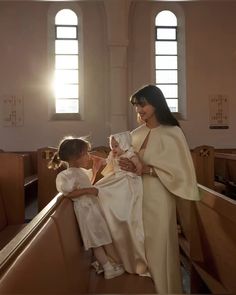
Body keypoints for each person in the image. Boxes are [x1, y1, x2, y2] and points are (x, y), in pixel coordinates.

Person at [119, 85, 200, 294]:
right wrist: (124, 164)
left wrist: (148, 169)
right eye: (136, 105)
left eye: (143, 104)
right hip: (136, 197)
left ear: (157, 103)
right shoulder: (135, 134)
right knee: (141, 245)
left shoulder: (172, 133)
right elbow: (127, 162)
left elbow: (182, 173)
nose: (139, 109)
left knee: (159, 247)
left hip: (160, 197)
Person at [49, 136, 125, 280]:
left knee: (100, 237)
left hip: (91, 209)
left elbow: (86, 182)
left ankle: (106, 264)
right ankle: (108, 269)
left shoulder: (78, 172)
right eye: (85, 153)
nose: (88, 156)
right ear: (76, 157)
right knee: (96, 241)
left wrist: (95, 170)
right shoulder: (66, 174)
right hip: (85, 212)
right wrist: (88, 191)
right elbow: (68, 192)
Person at [94, 131, 149, 276]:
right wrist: (100, 161)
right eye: (112, 146)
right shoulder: (114, 154)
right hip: (116, 181)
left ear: (124, 143)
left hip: (127, 183)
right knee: (98, 190)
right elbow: (107, 162)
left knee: (104, 192)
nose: (113, 149)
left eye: (116, 146)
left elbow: (138, 167)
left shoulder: (130, 153)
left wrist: (136, 166)